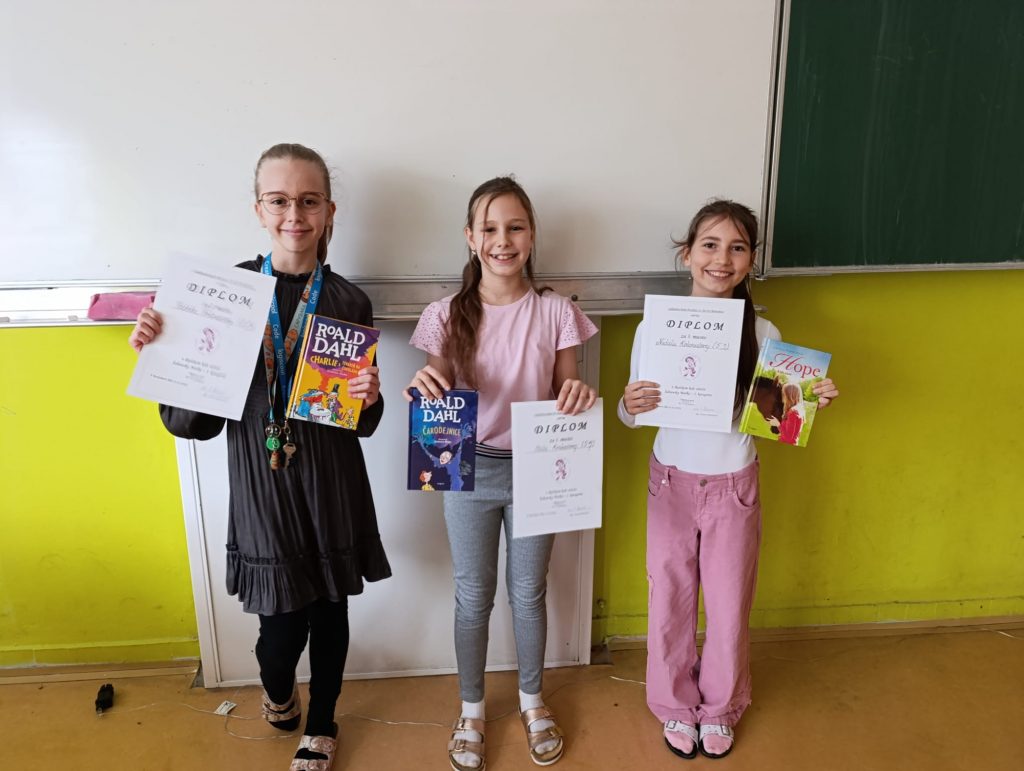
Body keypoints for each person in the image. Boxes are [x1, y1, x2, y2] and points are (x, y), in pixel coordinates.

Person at [129, 143, 390, 771]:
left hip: (331, 483)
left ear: (329, 211)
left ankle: (322, 724)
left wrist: (370, 396)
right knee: (279, 636)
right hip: (261, 487)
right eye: (279, 200)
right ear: (258, 209)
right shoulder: (222, 295)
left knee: (330, 612)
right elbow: (190, 425)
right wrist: (164, 358)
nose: (294, 215)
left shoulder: (348, 301)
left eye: (309, 201)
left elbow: (360, 424)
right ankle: (279, 690)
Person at [619, 200, 839, 760]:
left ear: (751, 260)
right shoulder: (655, 327)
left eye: (737, 247)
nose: (721, 259)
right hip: (670, 481)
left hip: (733, 486)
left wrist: (806, 399)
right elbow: (633, 414)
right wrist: (628, 404)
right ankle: (673, 703)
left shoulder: (763, 330)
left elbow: (775, 420)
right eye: (710, 245)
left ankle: (719, 707)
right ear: (686, 253)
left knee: (728, 602)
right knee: (669, 597)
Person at [404, 176, 598, 770]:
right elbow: (436, 390)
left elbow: (567, 386)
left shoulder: (556, 311)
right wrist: (424, 387)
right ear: (470, 237)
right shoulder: (444, 314)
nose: (503, 240)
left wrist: (578, 394)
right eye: (489, 229)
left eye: (515, 227)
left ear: (532, 235)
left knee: (528, 591)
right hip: (465, 467)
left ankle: (532, 700)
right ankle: (471, 709)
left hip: (540, 469)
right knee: (473, 595)